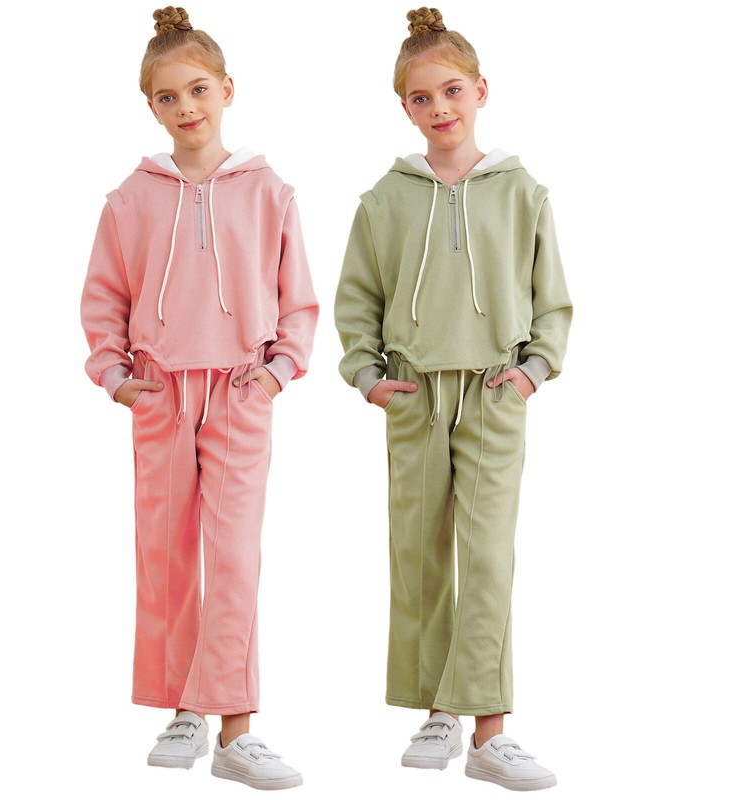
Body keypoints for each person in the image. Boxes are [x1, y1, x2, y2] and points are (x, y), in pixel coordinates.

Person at [334, 6, 572, 792]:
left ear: (481, 90)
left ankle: (490, 729)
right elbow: (357, 297)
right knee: (420, 555)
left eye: (452, 91)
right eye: (421, 97)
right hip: (415, 395)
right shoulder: (385, 199)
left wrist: (535, 370)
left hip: (494, 391)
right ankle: (437, 711)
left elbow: (552, 298)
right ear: (404, 107)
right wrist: (369, 378)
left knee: (489, 557)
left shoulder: (522, 190)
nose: (439, 108)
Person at [80, 6, 317, 791]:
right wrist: (117, 379)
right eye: (168, 96)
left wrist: (280, 370)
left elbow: (298, 298)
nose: (186, 107)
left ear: (227, 89)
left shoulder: (269, 190)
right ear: (151, 106)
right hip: (162, 394)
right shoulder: (130, 198)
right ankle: (184, 710)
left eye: (199, 90)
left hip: (241, 389)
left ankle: (236, 729)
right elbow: (104, 296)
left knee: (235, 558)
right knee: (167, 554)